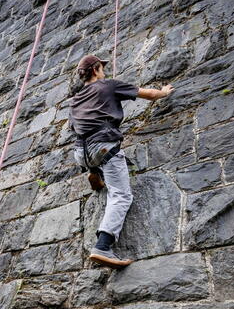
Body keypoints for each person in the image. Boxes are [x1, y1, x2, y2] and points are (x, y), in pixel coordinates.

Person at [70, 54, 174, 268]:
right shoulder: (108, 86)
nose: (105, 71)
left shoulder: (75, 100)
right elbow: (149, 94)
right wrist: (164, 92)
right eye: (102, 67)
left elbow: (76, 128)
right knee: (121, 196)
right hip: (104, 146)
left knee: (95, 157)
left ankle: (93, 173)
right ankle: (103, 246)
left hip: (81, 152)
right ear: (96, 69)